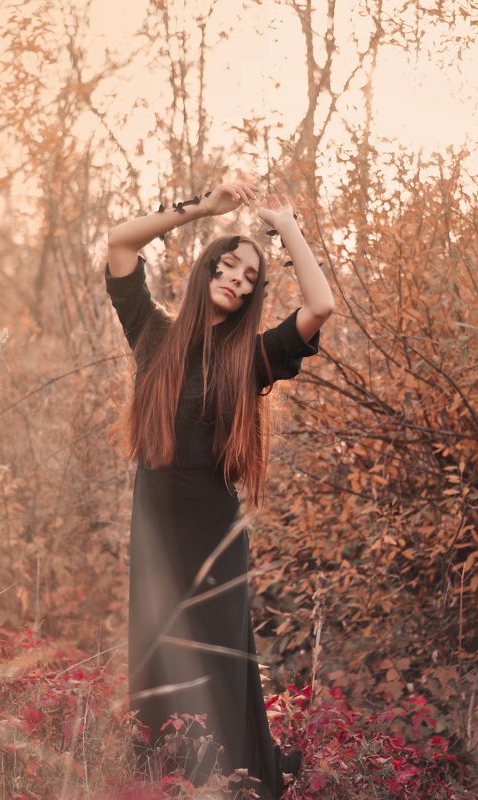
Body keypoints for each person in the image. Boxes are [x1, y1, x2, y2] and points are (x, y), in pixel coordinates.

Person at [104, 178, 335, 799]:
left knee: (218, 667)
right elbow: (121, 244)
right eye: (228, 264)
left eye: (249, 277)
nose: (235, 278)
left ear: (253, 295)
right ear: (207, 267)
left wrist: (284, 226)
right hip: (154, 535)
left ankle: (234, 785)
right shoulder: (152, 336)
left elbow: (320, 305)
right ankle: (164, 785)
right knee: (155, 666)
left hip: (215, 543)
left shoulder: (250, 359)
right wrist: (202, 209)